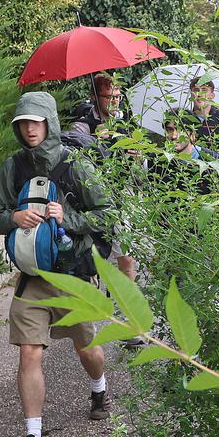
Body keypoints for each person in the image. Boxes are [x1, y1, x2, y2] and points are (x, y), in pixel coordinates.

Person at [0, 90, 116, 437]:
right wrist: (14, 218)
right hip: (32, 279)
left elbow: (107, 214)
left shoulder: (75, 165)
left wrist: (68, 218)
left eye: (36, 122)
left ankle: (98, 389)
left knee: (87, 349)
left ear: (49, 123)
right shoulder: (12, 168)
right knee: (29, 351)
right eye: (23, 123)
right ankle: (32, 434)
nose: (29, 129)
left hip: (72, 276)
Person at [64, 71, 139, 284]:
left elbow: (139, 168)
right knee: (92, 252)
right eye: (109, 96)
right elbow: (75, 164)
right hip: (91, 198)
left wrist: (136, 157)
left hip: (121, 195)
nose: (115, 101)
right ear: (95, 97)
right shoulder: (82, 126)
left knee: (126, 255)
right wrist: (96, 143)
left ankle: (132, 305)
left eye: (118, 96)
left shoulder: (126, 124)